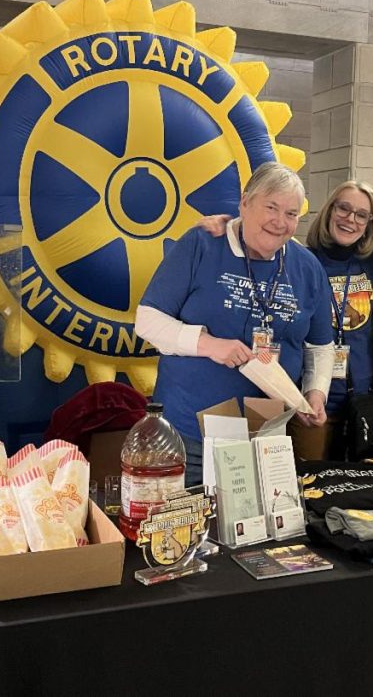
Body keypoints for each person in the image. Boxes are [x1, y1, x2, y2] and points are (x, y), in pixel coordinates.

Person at [135, 162, 335, 485]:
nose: (279, 222)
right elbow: (147, 320)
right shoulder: (203, 244)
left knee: (259, 535)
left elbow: (320, 345)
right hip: (191, 439)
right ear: (244, 202)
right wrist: (209, 345)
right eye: (271, 207)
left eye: (291, 214)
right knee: (187, 531)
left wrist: (315, 392)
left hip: (267, 439)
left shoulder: (307, 268)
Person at [196, 180, 373, 459]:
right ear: (329, 210)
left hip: (362, 400)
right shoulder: (301, 262)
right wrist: (227, 221)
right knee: (309, 485)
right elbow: (261, 222)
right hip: (310, 402)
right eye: (343, 208)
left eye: (361, 215)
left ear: (370, 223)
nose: (350, 220)